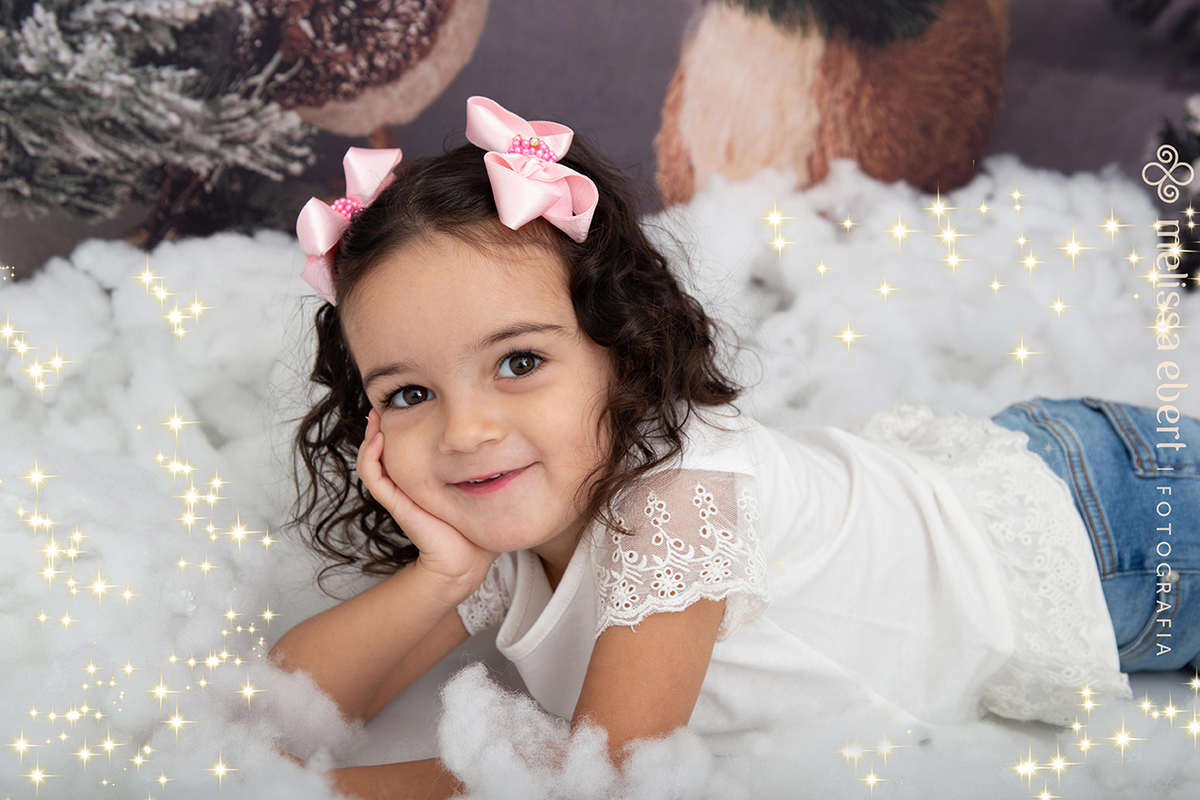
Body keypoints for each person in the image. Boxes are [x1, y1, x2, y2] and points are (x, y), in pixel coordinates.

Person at [267, 95, 1200, 800]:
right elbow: (278, 705)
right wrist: (439, 576)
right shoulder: (510, 509)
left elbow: (602, 773)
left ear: (621, 347)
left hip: (1109, 530)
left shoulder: (675, 506)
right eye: (411, 393)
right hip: (1038, 483)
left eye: (519, 362)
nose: (465, 431)